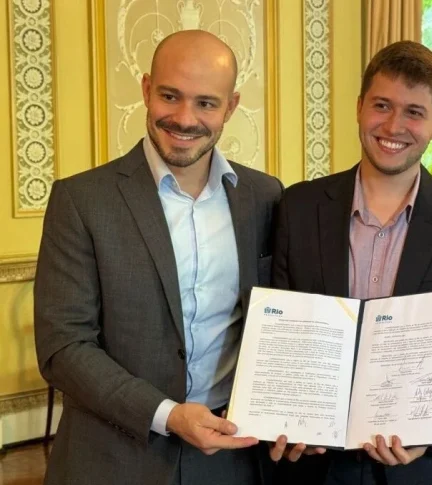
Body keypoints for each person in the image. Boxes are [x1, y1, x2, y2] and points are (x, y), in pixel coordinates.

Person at [34, 30, 282, 485]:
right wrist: (167, 415)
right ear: (147, 89)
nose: (185, 118)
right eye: (170, 96)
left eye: (206, 103)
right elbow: (63, 347)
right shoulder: (81, 200)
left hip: (233, 460)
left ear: (231, 106)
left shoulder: (266, 197)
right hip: (111, 460)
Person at [269, 40, 432, 485]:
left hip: (428, 468)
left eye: (414, 111)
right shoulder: (295, 207)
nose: (394, 125)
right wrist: (280, 415)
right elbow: (280, 332)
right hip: (315, 466)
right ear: (358, 107)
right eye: (382, 105)